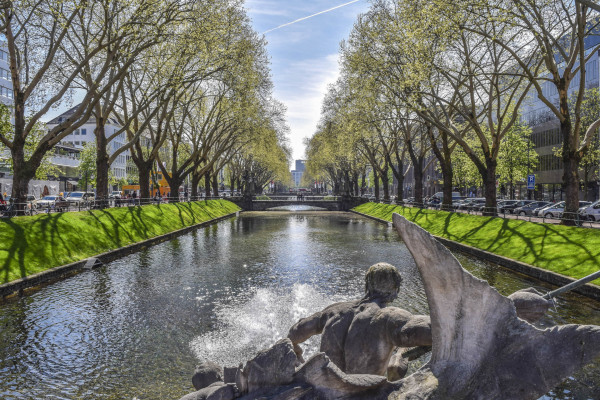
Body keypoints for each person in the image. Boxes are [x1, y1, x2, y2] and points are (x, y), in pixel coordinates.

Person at [288, 262, 550, 379]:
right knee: (398, 362)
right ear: (397, 290)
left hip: (321, 392)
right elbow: (444, 329)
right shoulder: (390, 318)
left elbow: (295, 332)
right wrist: (509, 307)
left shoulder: (334, 311)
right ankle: (398, 358)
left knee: (396, 358)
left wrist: (298, 356)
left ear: (366, 285)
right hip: (362, 394)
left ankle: (396, 358)